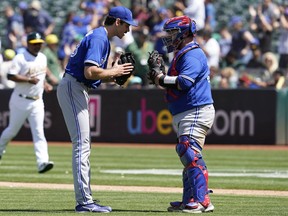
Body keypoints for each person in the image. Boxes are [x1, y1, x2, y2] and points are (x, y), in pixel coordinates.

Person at [56, 6, 137, 213]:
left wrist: (113, 76)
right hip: (73, 86)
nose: (129, 29)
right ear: (117, 22)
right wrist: (114, 70)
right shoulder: (100, 38)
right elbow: (89, 71)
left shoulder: (101, 37)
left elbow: (93, 77)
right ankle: (84, 202)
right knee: (81, 145)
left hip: (76, 86)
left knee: (83, 144)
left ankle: (85, 198)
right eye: (127, 24)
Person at [147, 16, 215, 213]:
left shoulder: (192, 54)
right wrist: (160, 80)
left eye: (172, 33)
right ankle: (189, 199)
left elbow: (184, 82)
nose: (168, 37)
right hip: (187, 110)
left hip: (195, 109)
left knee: (189, 152)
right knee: (187, 154)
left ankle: (202, 201)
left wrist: (160, 77)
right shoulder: (182, 53)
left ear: (184, 33)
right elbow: (174, 85)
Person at [0, 32, 54, 174]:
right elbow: (10, 75)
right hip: (20, 99)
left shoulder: (42, 57)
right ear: (28, 43)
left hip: (37, 101)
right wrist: (27, 79)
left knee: (39, 132)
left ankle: (42, 162)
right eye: (35, 43)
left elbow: (40, 76)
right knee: (12, 130)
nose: (37, 46)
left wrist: (45, 84)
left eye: (39, 43)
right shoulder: (20, 57)